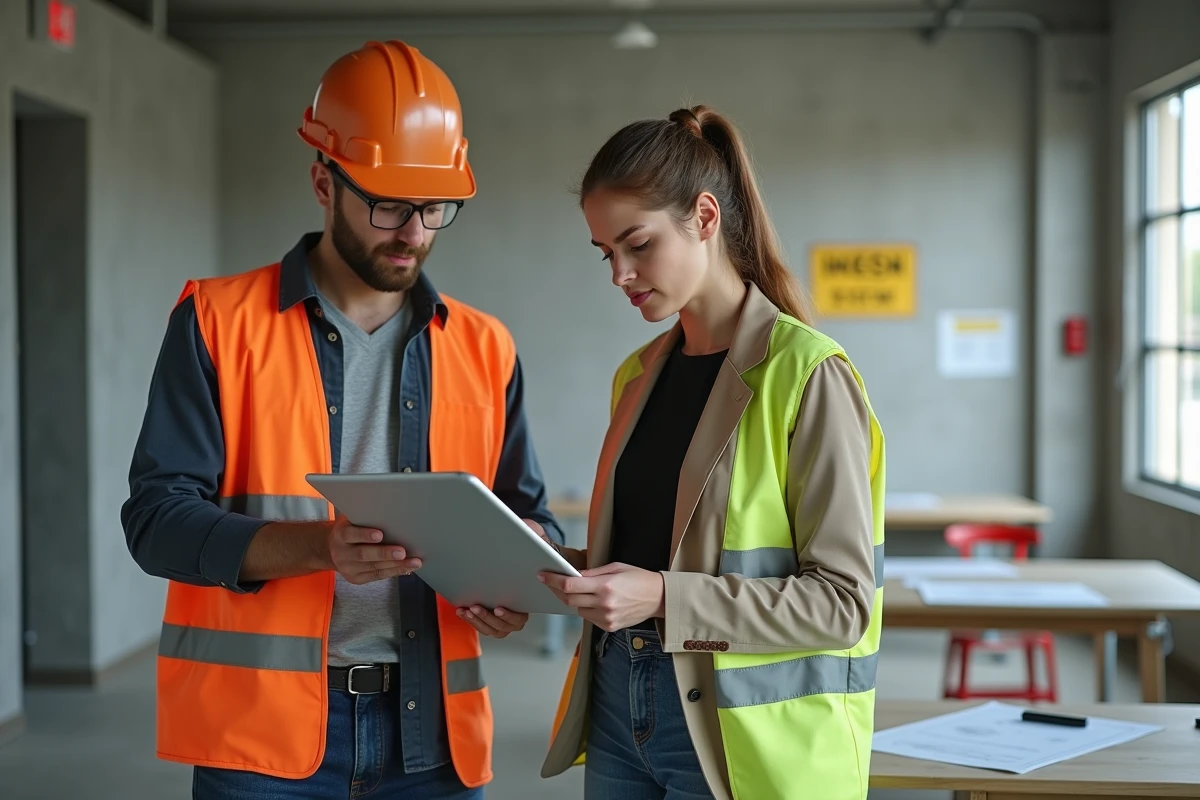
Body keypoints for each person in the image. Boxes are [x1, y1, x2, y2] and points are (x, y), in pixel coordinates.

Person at [121, 40, 562, 799]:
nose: (415, 232)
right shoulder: (216, 323)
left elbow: (530, 521)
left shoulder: (487, 347)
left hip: (435, 742)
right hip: (261, 743)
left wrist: (517, 587)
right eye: (389, 205)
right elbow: (157, 522)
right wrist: (322, 548)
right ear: (323, 180)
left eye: (436, 207)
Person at [538, 105, 886, 800]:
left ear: (703, 217)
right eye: (606, 253)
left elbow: (845, 605)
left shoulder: (807, 373)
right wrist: (544, 566)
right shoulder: (635, 377)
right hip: (616, 703)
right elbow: (651, 559)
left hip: (739, 734)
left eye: (637, 245)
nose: (619, 274)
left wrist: (665, 597)